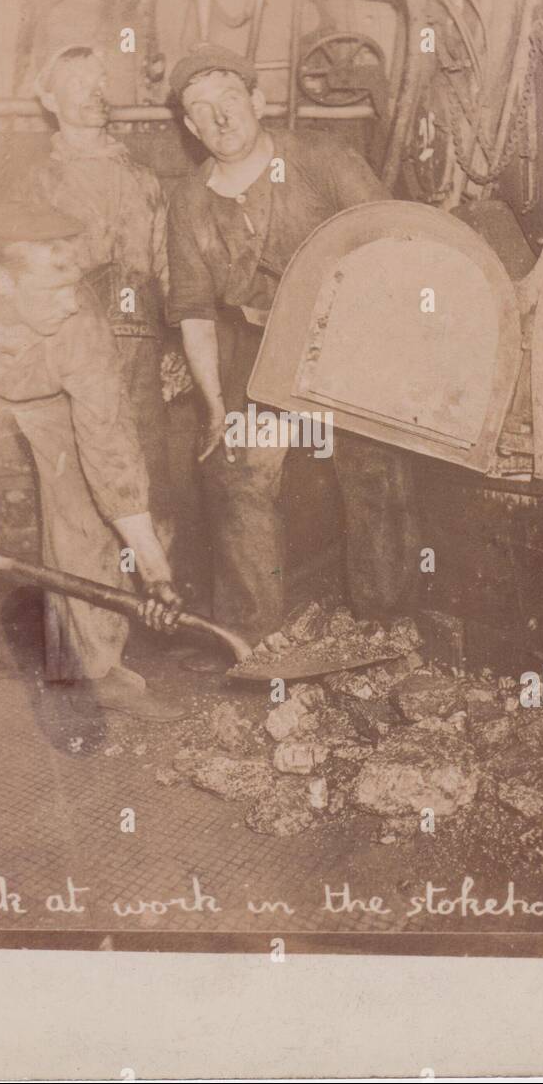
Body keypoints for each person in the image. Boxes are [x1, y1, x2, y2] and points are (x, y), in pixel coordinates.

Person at [0, 201, 184, 721]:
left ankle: (96, 668)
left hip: (54, 399)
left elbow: (109, 444)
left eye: (74, 287)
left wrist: (152, 563)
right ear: (3, 284)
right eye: (56, 292)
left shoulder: (80, 324)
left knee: (88, 518)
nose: (73, 304)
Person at [166, 42, 395, 644]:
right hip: (257, 345)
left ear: (257, 101)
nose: (220, 118)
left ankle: (388, 627)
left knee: (372, 473)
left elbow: (393, 245)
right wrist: (216, 407)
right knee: (239, 476)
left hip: (349, 336)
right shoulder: (188, 201)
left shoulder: (323, 158)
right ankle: (253, 640)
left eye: (230, 100)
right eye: (202, 109)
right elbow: (192, 310)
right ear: (190, 127)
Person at [27, 44, 174, 548]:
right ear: (49, 98)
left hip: (140, 351)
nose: (96, 91)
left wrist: (173, 343)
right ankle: (80, 624)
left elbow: (164, 266)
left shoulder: (142, 177)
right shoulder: (38, 185)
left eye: (100, 80)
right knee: (77, 497)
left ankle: (153, 613)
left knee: (150, 488)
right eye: (77, 82)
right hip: (69, 349)